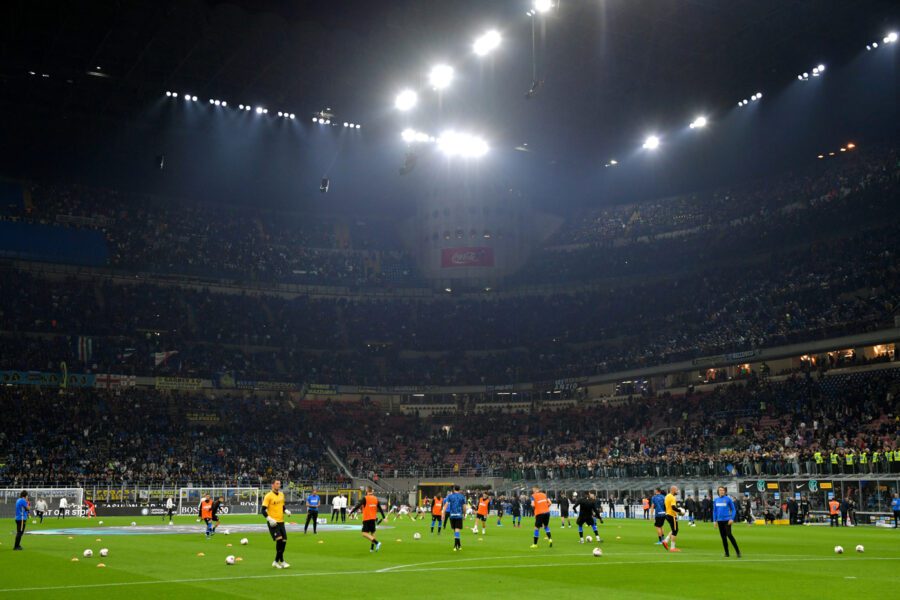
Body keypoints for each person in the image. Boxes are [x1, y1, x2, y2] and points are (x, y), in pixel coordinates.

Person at [262, 480, 291, 569]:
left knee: (284, 541)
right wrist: (269, 519)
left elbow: (282, 506)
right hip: (273, 522)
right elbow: (263, 510)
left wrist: (286, 510)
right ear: (273, 485)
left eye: (279, 484)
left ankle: (276, 561)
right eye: (277, 484)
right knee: (279, 540)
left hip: (281, 521)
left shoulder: (281, 495)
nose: (279, 485)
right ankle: (281, 561)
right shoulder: (268, 496)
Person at [348, 486, 386, 552]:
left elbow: (358, 506)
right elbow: (380, 508)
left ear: (367, 491)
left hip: (367, 518)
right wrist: (384, 517)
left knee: (364, 533)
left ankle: (377, 543)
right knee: (373, 533)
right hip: (373, 518)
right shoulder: (375, 498)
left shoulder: (365, 498)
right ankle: (372, 549)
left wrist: (351, 512)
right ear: (372, 491)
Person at [712, 486, 741, 558]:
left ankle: (738, 552)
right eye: (720, 490)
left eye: (723, 490)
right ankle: (727, 553)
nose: (722, 491)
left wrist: (732, 519)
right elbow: (714, 511)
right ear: (718, 492)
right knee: (723, 537)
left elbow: (733, 509)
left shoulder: (728, 499)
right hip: (719, 521)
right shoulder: (716, 500)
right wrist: (714, 521)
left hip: (727, 520)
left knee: (729, 535)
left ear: (724, 491)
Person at [443, 485, 467, 551]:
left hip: (452, 516)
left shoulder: (450, 496)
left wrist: (443, 514)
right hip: (459, 515)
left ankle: (459, 545)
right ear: (459, 489)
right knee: (457, 530)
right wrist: (464, 514)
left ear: (454, 489)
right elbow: (464, 507)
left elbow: (445, 505)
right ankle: (455, 546)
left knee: (455, 531)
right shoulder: (462, 496)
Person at [662, 485, 681, 552]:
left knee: (674, 529)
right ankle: (672, 548)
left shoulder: (667, 496)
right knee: (675, 531)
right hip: (672, 515)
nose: (677, 491)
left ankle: (665, 541)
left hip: (667, 514)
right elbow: (673, 507)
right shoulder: (672, 497)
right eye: (676, 490)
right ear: (673, 490)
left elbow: (664, 506)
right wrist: (680, 511)